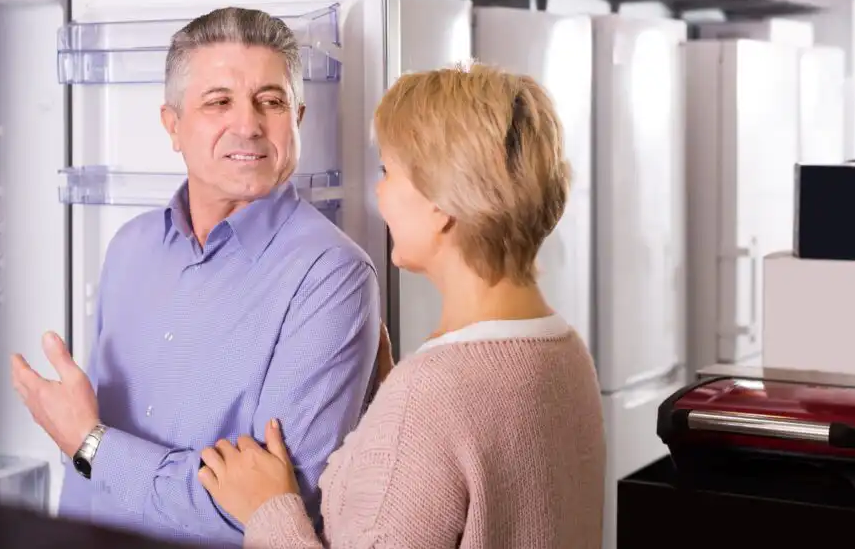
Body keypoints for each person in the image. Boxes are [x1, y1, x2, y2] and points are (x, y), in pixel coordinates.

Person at [10, 7, 380, 546]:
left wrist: (90, 442)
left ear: (297, 116)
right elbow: (87, 475)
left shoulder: (332, 277)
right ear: (173, 125)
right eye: (218, 101)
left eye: (271, 102)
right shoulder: (130, 248)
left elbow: (269, 512)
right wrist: (89, 451)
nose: (248, 124)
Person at [196, 64, 607, 548]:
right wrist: (391, 417)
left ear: (441, 202)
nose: (378, 191)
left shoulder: (431, 395)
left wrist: (268, 511)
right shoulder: (565, 350)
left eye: (389, 171)